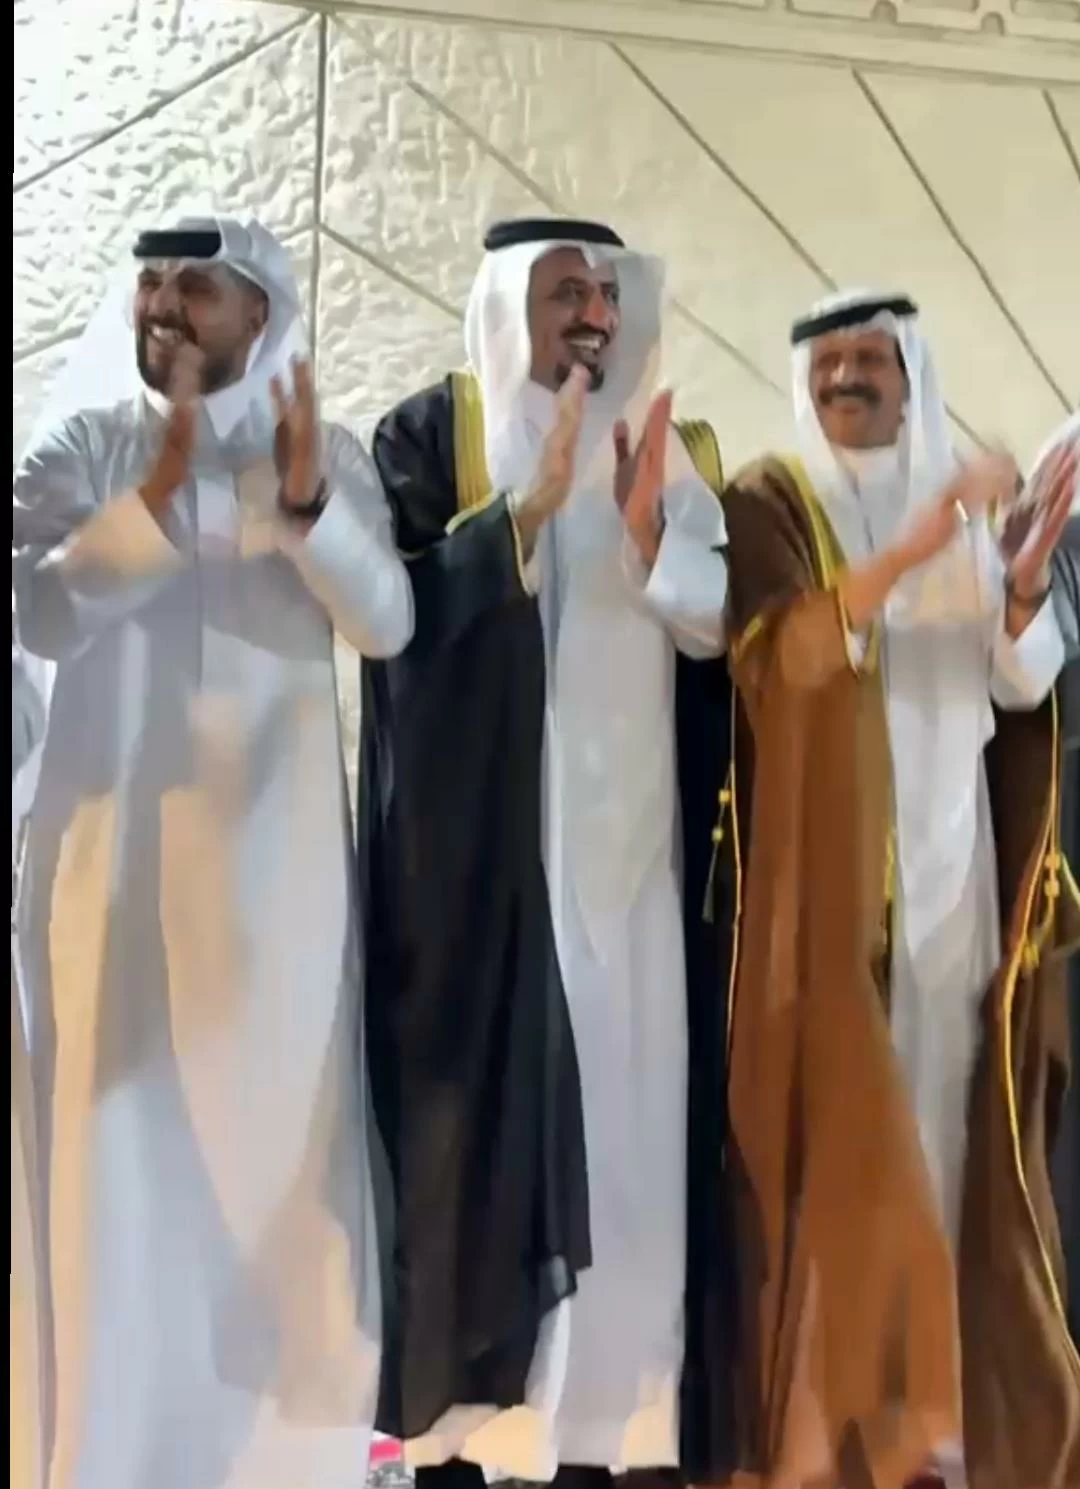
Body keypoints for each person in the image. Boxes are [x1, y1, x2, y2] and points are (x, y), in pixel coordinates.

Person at [12, 214, 413, 1489]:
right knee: (116, 1183)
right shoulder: (84, 447)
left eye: (195, 285)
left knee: (276, 1184)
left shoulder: (322, 455)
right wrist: (160, 495)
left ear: (261, 315)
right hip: (109, 888)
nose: (164, 304)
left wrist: (300, 510)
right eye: (150, 282)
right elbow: (37, 607)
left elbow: (389, 623)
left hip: (274, 894)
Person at [358, 217, 737, 1489]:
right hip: (498, 878)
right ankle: (491, 1428)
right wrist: (521, 514)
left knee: (634, 1140)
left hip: (642, 870)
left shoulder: (676, 455)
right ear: (509, 303)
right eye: (565, 288)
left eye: (606, 292)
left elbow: (723, 633)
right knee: (503, 1147)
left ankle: (622, 1426)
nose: (592, 313)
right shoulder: (435, 437)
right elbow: (396, 624)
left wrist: (650, 537)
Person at [716, 289, 1078, 1489]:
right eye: (829, 359)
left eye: (872, 357)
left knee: (952, 1131)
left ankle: (946, 1427)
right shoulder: (772, 502)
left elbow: (1022, 684)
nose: (847, 377)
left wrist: (1019, 584)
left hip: (952, 871)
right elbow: (783, 662)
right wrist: (920, 546)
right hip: (830, 894)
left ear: (909, 375)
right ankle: (844, 1433)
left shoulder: (964, 514)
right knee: (848, 1156)